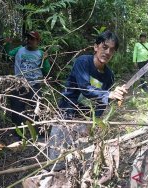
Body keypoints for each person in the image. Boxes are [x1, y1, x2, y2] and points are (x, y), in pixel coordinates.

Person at [48, 30, 127, 170]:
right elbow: (85, 88)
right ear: (96, 47)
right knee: (56, 159)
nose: (108, 52)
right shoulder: (83, 62)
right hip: (66, 113)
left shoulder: (109, 76)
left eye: (112, 50)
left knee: (81, 160)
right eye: (104, 47)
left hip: (85, 119)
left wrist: (93, 122)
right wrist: (108, 94)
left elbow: (101, 103)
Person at [10, 31, 50, 126]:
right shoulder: (19, 50)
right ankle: (18, 134)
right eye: (28, 38)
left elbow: (46, 71)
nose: (29, 40)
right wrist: (7, 44)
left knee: (38, 108)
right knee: (17, 110)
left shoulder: (41, 54)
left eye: (32, 39)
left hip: (34, 85)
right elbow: (6, 56)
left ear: (37, 41)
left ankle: (41, 133)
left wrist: (45, 60)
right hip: (18, 84)